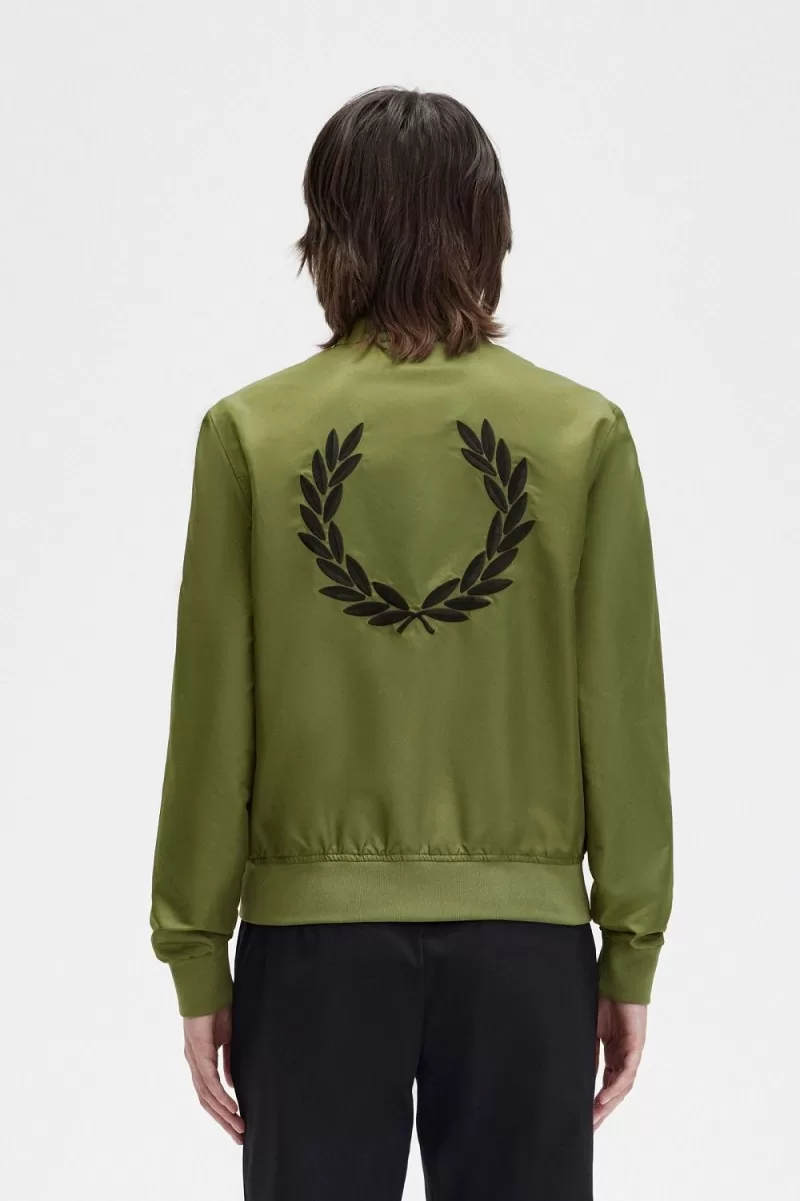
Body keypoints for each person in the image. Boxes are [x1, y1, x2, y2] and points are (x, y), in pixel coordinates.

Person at [150, 86, 673, 1201]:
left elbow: (212, 715)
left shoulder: (251, 435)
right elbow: (622, 712)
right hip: (525, 947)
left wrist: (197, 951)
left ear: (325, 235)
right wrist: (629, 944)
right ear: (488, 228)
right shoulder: (580, 435)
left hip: (311, 951)